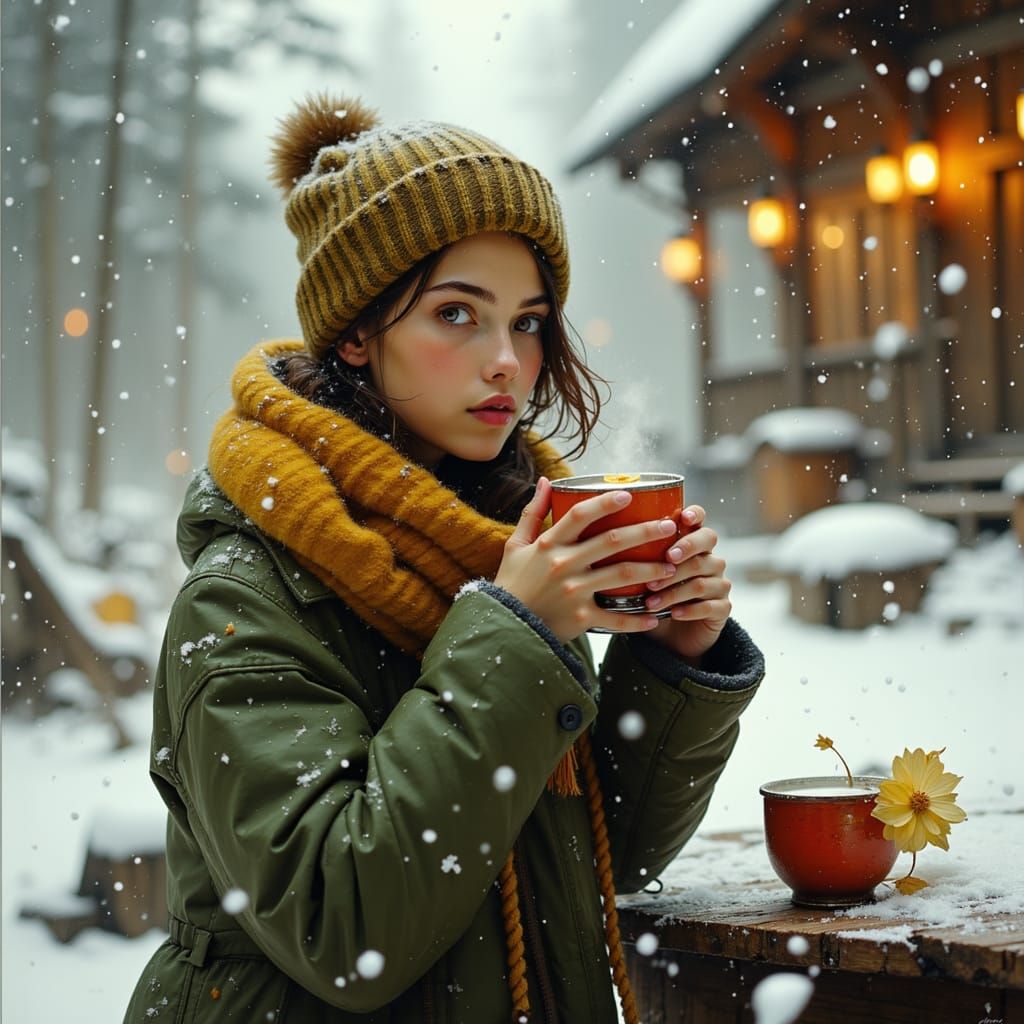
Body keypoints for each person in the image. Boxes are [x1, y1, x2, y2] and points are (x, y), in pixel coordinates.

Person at [123, 94, 764, 1024]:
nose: (506, 359)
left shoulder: (499, 546)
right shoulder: (246, 596)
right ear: (354, 332)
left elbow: (587, 858)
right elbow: (344, 928)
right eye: (456, 314)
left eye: (530, 321)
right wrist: (516, 635)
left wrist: (679, 656)